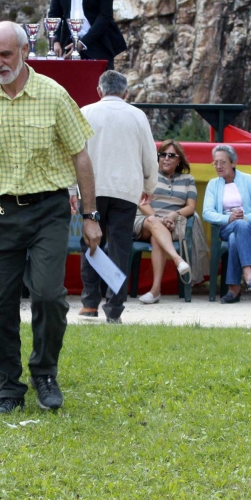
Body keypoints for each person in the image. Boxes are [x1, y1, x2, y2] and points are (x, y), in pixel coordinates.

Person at [0, 21, 102, 416]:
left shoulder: (54, 95)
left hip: (48, 209)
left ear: (25, 51)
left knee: (48, 295)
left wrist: (90, 214)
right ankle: (8, 386)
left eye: (5, 54)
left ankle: (44, 372)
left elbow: (80, 155)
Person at [77, 70, 158, 322]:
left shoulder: (86, 112)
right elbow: (149, 156)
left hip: (92, 189)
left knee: (91, 243)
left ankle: (89, 302)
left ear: (99, 91)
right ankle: (114, 308)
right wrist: (149, 186)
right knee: (120, 247)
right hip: (126, 191)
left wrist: (72, 188)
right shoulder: (138, 115)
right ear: (126, 93)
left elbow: (74, 153)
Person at [132, 140, 203, 304]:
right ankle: (178, 260)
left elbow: (191, 207)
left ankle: (155, 290)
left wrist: (173, 215)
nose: (166, 158)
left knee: (157, 237)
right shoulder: (149, 175)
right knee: (152, 222)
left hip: (172, 223)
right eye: (162, 154)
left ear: (179, 160)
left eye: (171, 155)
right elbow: (142, 203)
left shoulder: (188, 179)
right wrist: (158, 219)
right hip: (144, 219)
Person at [203, 144, 251, 304]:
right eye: (215, 163)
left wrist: (245, 217)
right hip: (227, 226)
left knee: (237, 234)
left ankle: (234, 289)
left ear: (233, 163)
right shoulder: (213, 184)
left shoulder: (249, 180)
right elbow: (207, 213)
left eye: (222, 162)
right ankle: (248, 273)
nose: (218, 166)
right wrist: (228, 219)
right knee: (237, 228)